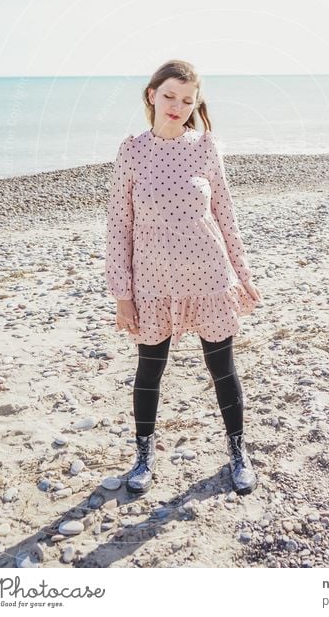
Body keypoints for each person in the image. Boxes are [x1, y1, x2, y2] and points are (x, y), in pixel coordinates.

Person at [105, 59, 262, 496]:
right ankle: (143, 456)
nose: (177, 105)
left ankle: (237, 451)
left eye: (187, 100)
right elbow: (119, 224)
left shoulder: (205, 147)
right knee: (149, 370)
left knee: (222, 368)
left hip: (210, 278)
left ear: (196, 104)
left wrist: (242, 273)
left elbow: (225, 215)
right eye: (170, 95)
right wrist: (123, 293)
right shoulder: (132, 150)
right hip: (152, 283)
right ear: (152, 94)